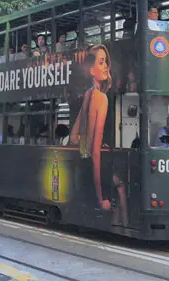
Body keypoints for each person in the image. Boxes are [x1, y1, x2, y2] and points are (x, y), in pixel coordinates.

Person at [69, 45, 128, 226]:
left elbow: (73, 137)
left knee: (120, 187)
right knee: (121, 189)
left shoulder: (88, 94)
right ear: (91, 69)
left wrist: (85, 142)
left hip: (83, 166)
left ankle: (121, 226)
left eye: (106, 62)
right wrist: (100, 197)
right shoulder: (101, 99)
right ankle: (123, 227)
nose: (106, 67)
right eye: (101, 62)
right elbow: (95, 152)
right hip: (97, 169)